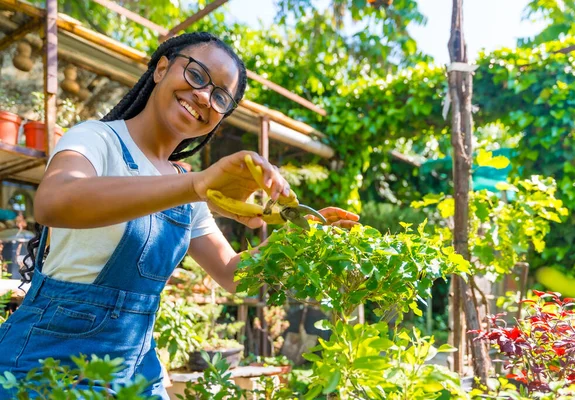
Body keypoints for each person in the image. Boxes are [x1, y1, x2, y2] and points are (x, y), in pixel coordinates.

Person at [0, 32, 359, 398]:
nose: (204, 96)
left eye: (220, 97)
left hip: (134, 372)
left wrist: (299, 239)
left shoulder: (187, 184)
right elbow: (54, 202)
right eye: (197, 75)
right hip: (47, 365)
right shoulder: (97, 140)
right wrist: (197, 186)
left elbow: (233, 274)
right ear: (160, 69)